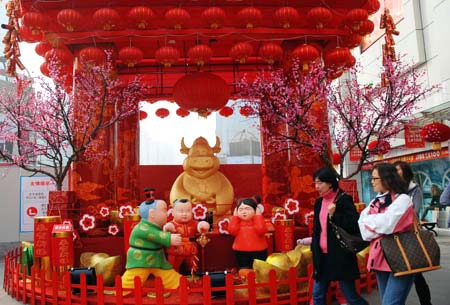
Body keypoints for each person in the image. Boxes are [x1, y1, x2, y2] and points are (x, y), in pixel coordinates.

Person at [359, 163, 415, 305]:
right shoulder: (374, 201)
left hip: (402, 257)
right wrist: (378, 225)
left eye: (374, 178)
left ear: (386, 179)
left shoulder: (403, 199)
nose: (371, 181)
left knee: (390, 303)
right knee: (387, 301)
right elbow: (363, 230)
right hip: (379, 257)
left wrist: (370, 222)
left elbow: (388, 225)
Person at [311, 167, 368, 305]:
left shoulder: (343, 199)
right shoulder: (319, 202)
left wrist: (334, 215)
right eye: (315, 183)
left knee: (350, 295)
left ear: (330, 183)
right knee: (317, 294)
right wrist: (313, 244)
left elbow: (354, 224)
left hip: (340, 255)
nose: (316, 186)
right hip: (322, 255)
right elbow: (318, 229)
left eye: (320, 183)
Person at [121, 188, 183, 295]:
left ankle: (178, 285)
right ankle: (123, 291)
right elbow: (155, 235)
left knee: (168, 274)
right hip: (141, 259)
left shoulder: (156, 226)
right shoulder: (141, 228)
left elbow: (158, 234)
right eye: (164, 211)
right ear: (152, 213)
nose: (167, 214)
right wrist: (169, 238)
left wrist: (167, 230)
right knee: (133, 279)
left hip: (157, 257)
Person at [394, 161, 433, 305]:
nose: (396, 172)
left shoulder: (415, 189)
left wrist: (398, 217)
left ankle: (426, 302)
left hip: (410, 236)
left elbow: (415, 211)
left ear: (405, 172)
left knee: (415, 273)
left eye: (398, 170)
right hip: (395, 236)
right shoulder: (394, 190)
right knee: (405, 273)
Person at [163, 199, 210, 273]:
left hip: (191, 249)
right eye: (181, 211)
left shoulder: (193, 223)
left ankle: (194, 276)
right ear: (173, 212)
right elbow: (165, 229)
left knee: (193, 266)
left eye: (188, 211)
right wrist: (167, 228)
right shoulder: (172, 224)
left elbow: (199, 226)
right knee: (173, 267)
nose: (184, 214)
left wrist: (203, 225)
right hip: (176, 249)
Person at [228, 195, 268, 279]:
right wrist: (235, 217)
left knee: (258, 269)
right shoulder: (238, 223)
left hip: (258, 250)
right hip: (240, 250)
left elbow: (261, 229)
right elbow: (232, 230)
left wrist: (258, 216)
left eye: (247, 209)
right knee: (244, 269)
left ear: (255, 210)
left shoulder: (257, 221)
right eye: (241, 209)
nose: (244, 212)